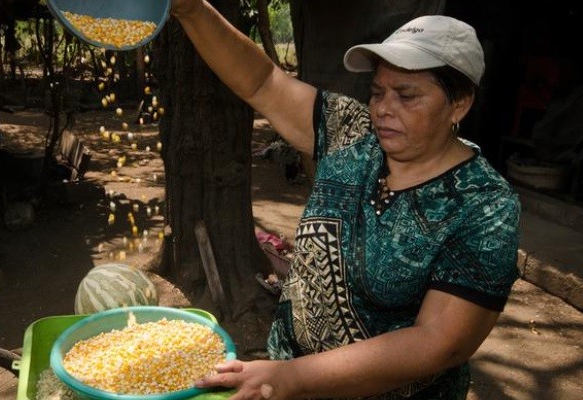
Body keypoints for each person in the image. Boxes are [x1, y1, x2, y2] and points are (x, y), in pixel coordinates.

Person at [172, 1, 521, 398]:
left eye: (406, 96)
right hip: (285, 380)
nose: (383, 109)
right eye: (377, 92)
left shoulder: (483, 205)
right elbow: (263, 81)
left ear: (460, 103)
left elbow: (439, 342)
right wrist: (191, 10)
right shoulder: (352, 134)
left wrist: (294, 377)